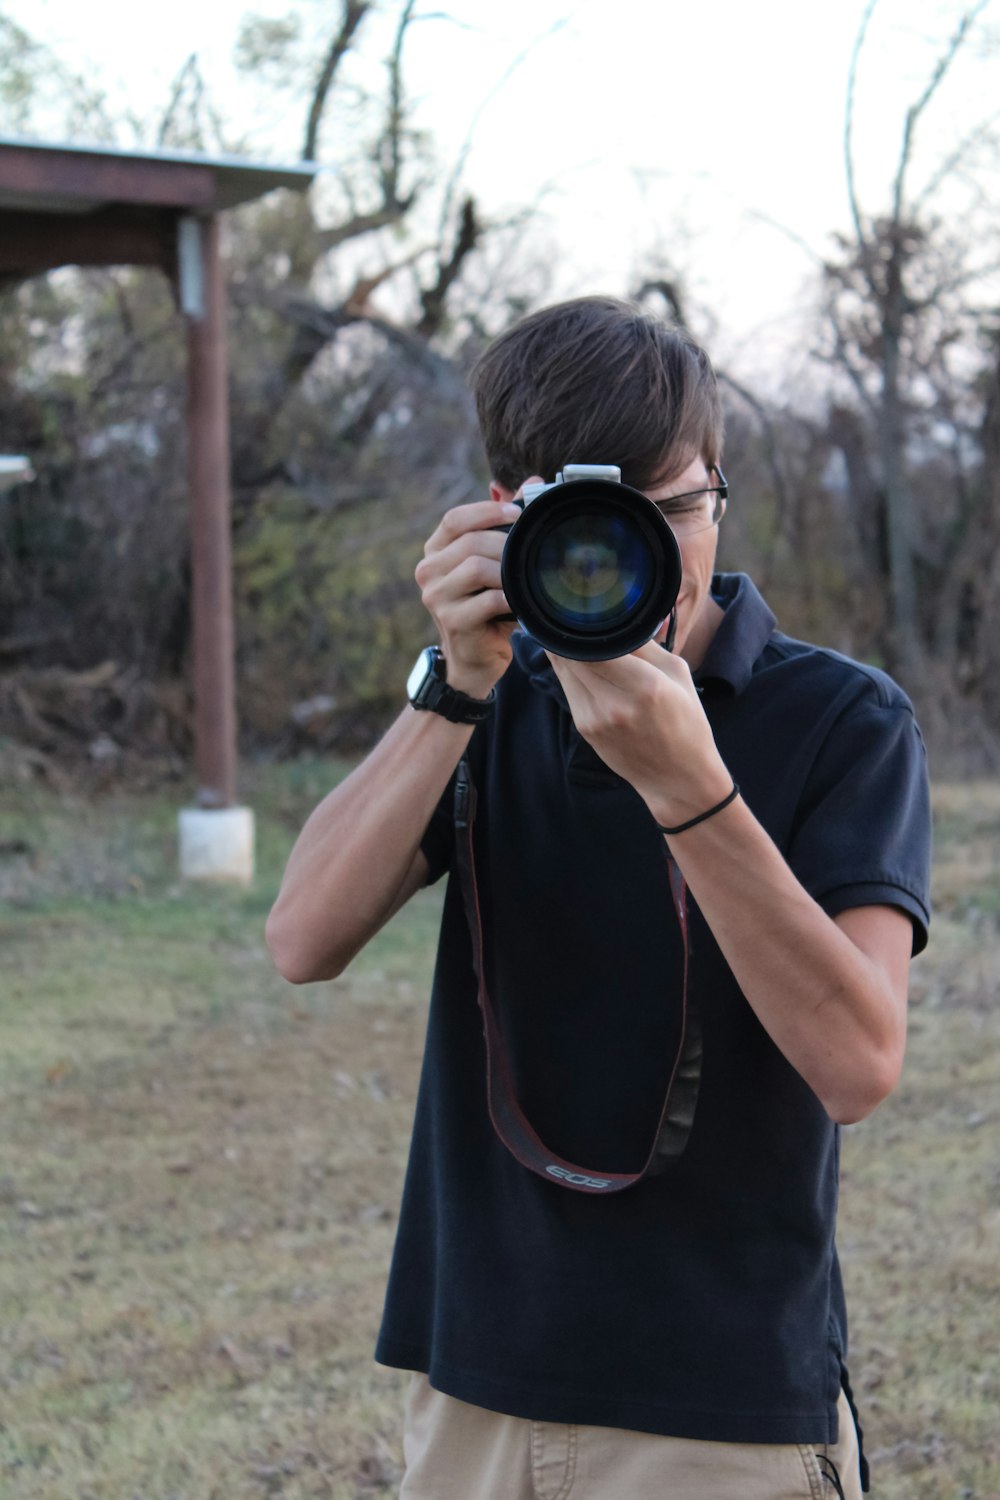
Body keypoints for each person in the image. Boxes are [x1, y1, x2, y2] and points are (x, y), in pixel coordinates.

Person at [266, 296, 932, 1500]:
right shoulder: (483, 698)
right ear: (506, 518)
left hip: (719, 1402)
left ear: (718, 490)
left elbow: (858, 1063)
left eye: (665, 513)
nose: (624, 559)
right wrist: (452, 685)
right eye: (580, 526)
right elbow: (301, 938)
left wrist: (688, 785)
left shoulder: (843, 718)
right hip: (474, 1376)